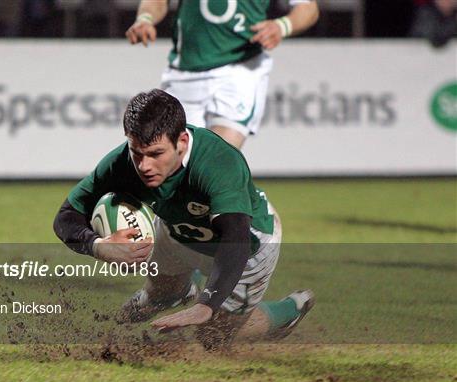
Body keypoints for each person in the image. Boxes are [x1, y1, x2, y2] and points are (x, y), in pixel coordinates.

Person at [53, 89, 314, 348]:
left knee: (211, 338)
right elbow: (66, 217)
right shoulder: (121, 163)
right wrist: (99, 246)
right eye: (137, 152)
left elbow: (236, 238)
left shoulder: (218, 162)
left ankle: (288, 311)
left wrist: (207, 304)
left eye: (156, 154)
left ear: (182, 142)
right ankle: (172, 295)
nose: (144, 165)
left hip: (249, 246)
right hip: (175, 231)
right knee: (157, 298)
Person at [125, 0, 319, 149]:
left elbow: (308, 7)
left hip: (239, 69)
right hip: (184, 73)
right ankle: (256, 202)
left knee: (213, 162)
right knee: (178, 171)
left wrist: (282, 25)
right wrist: (145, 19)